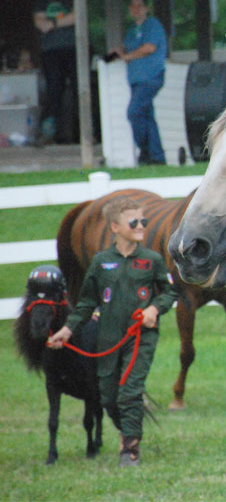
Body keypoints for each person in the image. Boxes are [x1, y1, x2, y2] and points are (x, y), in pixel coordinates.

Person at [49, 196, 177, 467]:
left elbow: (168, 293)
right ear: (115, 228)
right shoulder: (101, 262)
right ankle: (126, 430)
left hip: (140, 337)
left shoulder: (152, 260)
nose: (141, 225)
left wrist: (154, 309)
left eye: (144, 220)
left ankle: (130, 449)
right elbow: (86, 302)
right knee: (108, 396)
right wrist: (67, 330)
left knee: (130, 391)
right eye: (134, 222)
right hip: (108, 336)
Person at [108, 0, 168, 165]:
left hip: (151, 77)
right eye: (133, 6)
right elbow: (125, 48)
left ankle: (145, 150)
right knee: (147, 116)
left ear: (146, 8)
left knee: (133, 112)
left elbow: (149, 48)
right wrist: (117, 52)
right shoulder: (132, 30)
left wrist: (127, 56)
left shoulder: (153, 24)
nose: (136, 9)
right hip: (136, 80)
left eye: (140, 5)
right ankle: (156, 157)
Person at [33, 0, 77, 144]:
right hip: (51, 50)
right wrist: (61, 21)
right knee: (54, 91)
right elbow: (39, 22)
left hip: (73, 48)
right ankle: (54, 134)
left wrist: (53, 24)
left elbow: (77, 16)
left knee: (77, 89)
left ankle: (78, 133)